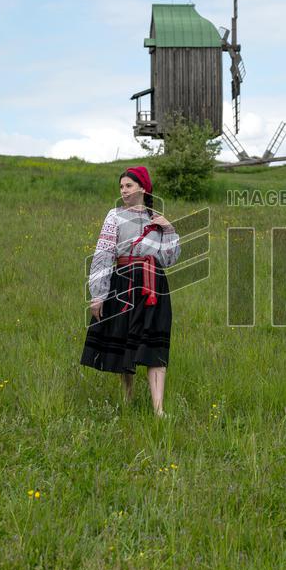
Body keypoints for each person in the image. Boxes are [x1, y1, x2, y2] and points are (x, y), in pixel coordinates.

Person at [81, 166, 180, 416]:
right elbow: (103, 254)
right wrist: (98, 294)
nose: (124, 191)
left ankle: (158, 409)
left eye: (129, 186)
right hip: (123, 282)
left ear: (143, 188)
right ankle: (127, 398)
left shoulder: (157, 219)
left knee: (155, 344)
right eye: (122, 187)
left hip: (154, 285)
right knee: (126, 340)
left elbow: (169, 259)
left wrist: (169, 229)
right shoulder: (113, 216)